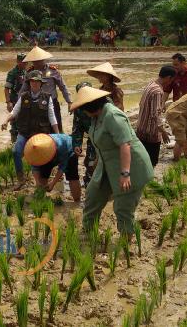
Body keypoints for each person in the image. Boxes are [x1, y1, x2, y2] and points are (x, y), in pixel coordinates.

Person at [71, 87, 153, 236]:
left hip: (131, 167)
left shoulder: (113, 116)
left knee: (123, 207)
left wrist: (125, 173)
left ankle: (126, 241)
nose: (82, 111)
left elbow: (125, 144)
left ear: (90, 106)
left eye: (83, 108)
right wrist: (97, 161)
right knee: (93, 195)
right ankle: (89, 232)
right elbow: (100, 142)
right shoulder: (96, 118)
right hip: (107, 166)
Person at [2, 70, 60, 189]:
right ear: (29, 83)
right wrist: (6, 120)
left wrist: (58, 134)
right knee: (16, 152)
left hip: (39, 135)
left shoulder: (47, 98)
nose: (35, 83)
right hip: (25, 132)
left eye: (37, 81)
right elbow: (14, 112)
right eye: (32, 81)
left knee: (36, 159)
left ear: (41, 83)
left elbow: (52, 116)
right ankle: (21, 179)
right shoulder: (24, 97)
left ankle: (39, 182)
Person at [20, 46, 72, 132]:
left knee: (56, 127)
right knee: (38, 128)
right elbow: (23, 89)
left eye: (39, 60)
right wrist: (19, 104)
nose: (37, 63)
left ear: (44, 59)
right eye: (34, 61)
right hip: (36, 104)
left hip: (52, 102)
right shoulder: (29, 73)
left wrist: (69, 102)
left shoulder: (53, 71)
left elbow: (63, 87)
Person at [136, 66, 176, 167]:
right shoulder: (157, 91)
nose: (171, 82)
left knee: (141, 160)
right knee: (150, 162)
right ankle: (147, 181)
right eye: (172, 80)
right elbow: (155, 115)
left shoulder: (151, 84)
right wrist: (163, 132)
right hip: (150, 133)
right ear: (168, 77)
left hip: (141, 128)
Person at [24, 133, 79, 201]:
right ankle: (41, 200)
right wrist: (37, 182)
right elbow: (35, 165)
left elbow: (62, 167)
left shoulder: (63, 146)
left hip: (70, 151)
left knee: (72, 177)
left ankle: (77, 202)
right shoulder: (32, 149)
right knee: (42, 177)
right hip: (45, 152)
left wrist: (53, 183)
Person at [70, 82, 96, 188]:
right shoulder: (79, 109)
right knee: (90, 162)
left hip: (107, 139)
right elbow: (77, 128)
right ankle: (89, 186)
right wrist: (77, 145)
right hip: (93, 139)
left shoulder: (103, 102)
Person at [4, 53, 27, 142]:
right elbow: (6, 89)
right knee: (14, 121)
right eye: (23, 62)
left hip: (24, 99)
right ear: (18, 61)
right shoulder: (12, 73)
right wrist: (8, 102)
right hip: (14, 99)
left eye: (26, 62)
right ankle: (13, 142)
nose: (25, 63)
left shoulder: (26, 71)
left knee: (24, 121)